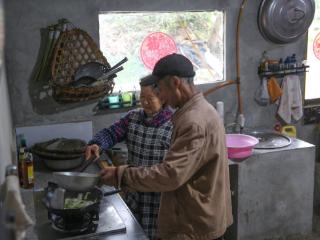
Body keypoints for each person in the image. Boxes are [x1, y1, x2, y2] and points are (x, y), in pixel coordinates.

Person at [100, 53, 233, 240]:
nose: (160, 95)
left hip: (193, 225)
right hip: (199, 216)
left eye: (160, 89)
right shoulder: (201, 110)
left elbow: (171, 175)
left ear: (175, 82)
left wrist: (120, 174)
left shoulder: (193, 121)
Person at [85, 75, 173, 240]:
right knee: (136, 233)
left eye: (150, 98)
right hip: (134, 191)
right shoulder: (133, 117)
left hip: (160, 197)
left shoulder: (174, 125)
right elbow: (111, 133)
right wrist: (97, 144)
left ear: (163, 98)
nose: (144, 102)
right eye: (142, 97)